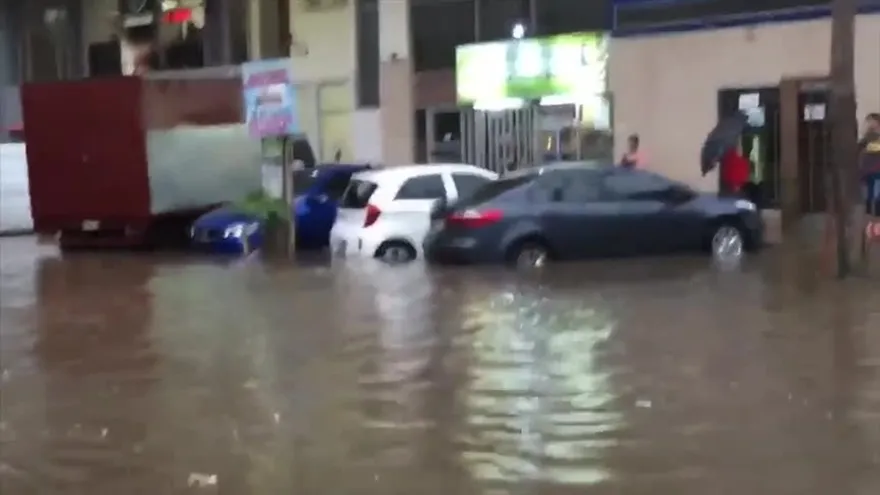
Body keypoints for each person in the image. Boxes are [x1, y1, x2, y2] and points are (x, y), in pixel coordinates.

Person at [859, 113, 880, 216]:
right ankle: (870, 212)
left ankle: (876, 212)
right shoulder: (867, 137)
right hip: (868, 169)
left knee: (876, 192)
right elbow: (860, 149)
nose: (870, 123)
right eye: (868, 121)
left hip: (877, 169)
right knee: (869, 193)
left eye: (871, 121)